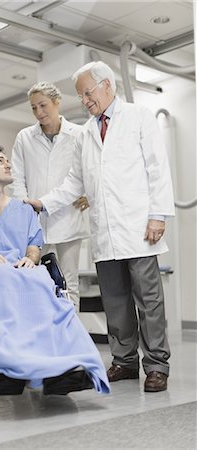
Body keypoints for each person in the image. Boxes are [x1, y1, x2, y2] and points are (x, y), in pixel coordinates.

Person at [26, 62, 175, 393]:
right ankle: (124, 361)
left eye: (87, 92)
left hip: (138, 227)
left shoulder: (138, 117)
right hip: (105, 232)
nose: (84, 100)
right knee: (116, 299)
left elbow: (157, 168)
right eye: (80, 95)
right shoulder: (86, 133)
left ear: (108, 86)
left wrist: (158, 215)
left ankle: (156, 366)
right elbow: (74, 182)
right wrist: (43, 202)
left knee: (148, 300)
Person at [0, 144, 110, 396]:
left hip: (19, 268)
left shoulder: (23, 209)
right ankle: (5, 361)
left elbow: (33, 247)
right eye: (0, 161)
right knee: (0, 278)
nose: (8, 164)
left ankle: (63, 364)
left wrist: (31, 259)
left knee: (40, 279)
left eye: (8, 160)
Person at [10, 81, 89, 312]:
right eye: (34, 108)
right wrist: (23, 206)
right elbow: (17, 177)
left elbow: (90, 172)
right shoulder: (25, 137)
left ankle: (71, 337)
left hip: (69, 217)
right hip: (34, 220)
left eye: (43, 105)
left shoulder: (79, 134)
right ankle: (42, 334)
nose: (39, 112)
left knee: (69, 282)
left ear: (57, 102)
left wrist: (89, 195)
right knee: (34, 280)